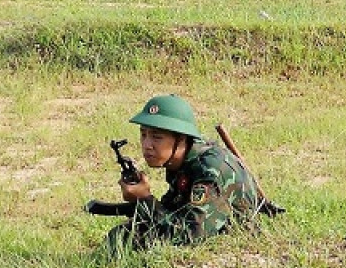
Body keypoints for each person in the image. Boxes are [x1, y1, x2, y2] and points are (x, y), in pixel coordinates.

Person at [101, 94, 268, 254]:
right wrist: (140, 201)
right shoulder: (182, 158)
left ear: (181, 139)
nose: (147, 145)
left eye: (157, 138)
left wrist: (145, 199)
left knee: (129, 240)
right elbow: (174, 208)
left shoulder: (209, 169)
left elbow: (191, 234)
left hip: (227, 233)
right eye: (143, 134)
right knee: (122, 234)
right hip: (201, 220)